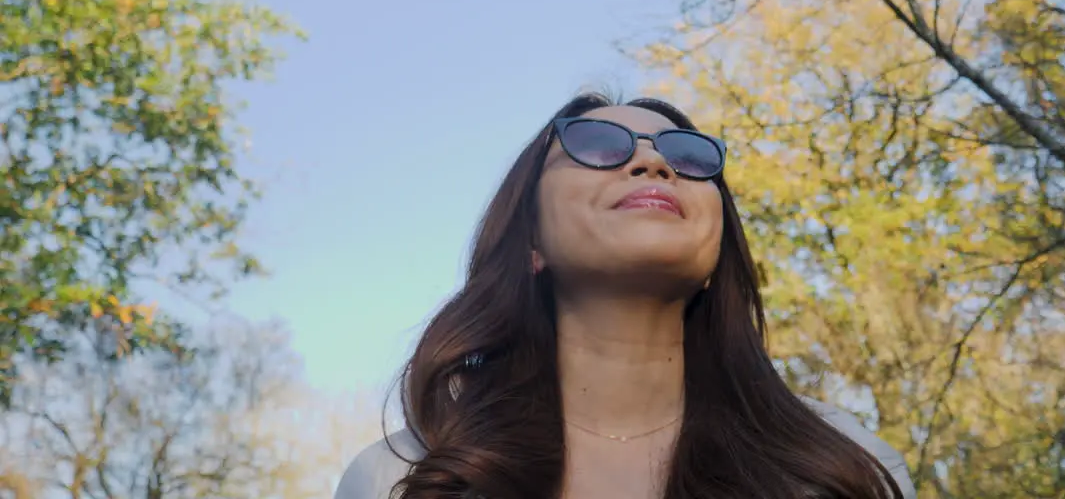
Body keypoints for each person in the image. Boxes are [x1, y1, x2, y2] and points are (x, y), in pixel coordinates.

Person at [336, 94, 915, 499]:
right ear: (531, 239)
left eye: (688, 157)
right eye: (596, 144)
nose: (653, 161)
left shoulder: (847, 467)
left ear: (718, 253)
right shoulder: (403, 478)